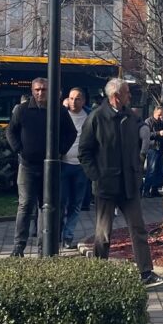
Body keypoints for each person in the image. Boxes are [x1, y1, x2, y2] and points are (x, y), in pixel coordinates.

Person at [77, 78, 163, 287]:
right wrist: (96, 176)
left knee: (138, 228)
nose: (130, 96)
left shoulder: (131, 116)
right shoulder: (96, 118)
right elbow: (84, 152)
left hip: (129, 184)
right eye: (127, 93)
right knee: (103, 233)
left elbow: (139, 142)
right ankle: (99, 274)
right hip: (106, 186)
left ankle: (146, 273)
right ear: (116, 96)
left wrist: (139, 163)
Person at [7, 77, 76, 257]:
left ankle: (43, 249)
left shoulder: (58, 111)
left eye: (44, 89)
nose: (40, 93)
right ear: (32, 90)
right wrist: (19, 149)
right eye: (37, 89)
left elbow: (71, 133)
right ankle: (18, 247)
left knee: (46, 207)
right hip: (27, 166)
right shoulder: (22, 110)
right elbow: (10, 131)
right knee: (25, 205)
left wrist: (60, 151)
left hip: (50, 168)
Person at [60, 87, 91, 250]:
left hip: (81, 166)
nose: (74, 101)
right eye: (71, 98)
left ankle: (68, 236)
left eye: (78, 98)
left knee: (76, 204)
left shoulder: (89, 116)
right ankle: (57, 233)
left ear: (83, 101)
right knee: (61, 202)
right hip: (63, 164)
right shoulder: (61, 114)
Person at [140, 104, 163, 198]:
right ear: (155, 113)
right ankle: (146, 190)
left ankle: (155, 190)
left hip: (160, 148)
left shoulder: (162, 122)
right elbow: (147, 134)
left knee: (158, 170)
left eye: (162, 115)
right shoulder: (148, 121)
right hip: (153, 148)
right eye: (159, 115)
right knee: (151, 170)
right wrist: (158, 133)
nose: (161, 117)